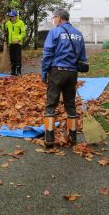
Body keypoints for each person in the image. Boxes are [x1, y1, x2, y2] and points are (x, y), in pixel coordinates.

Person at [41, 8, 87, 148]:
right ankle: (72, 137)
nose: (53, 20)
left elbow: (48, 53)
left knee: (51, 104)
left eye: (54, 17)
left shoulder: (55, 32)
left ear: (60, 17)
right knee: (70, 104)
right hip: (72, 73)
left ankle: (49, 138)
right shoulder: (78, 34)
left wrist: (44, 72)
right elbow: (83, 58)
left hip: (57, 71)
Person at [4, 10, 26, 75]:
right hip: (11, 44)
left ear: (16, 16)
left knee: (18, 58)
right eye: (11, 17)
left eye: (13, 16)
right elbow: (4, 29)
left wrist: (18, 39)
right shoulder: (8, 23)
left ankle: (19, 72)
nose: (12, 18)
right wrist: (3, 23)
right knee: (12, 58)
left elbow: (23, 33)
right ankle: (13, 71)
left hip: (18, 44)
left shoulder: (20, 22)